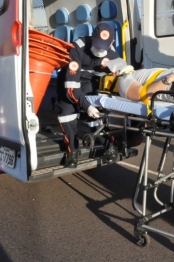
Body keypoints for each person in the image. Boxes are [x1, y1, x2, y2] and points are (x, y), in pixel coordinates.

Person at [57, 23, 119, 168]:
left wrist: (117, 71)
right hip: (70, 83)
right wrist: (86, 105)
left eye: (103, 46)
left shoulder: (112, 53)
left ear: (111, 43)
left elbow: (119, 73)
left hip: (90, 84)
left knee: (98, 115)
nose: (98, 49)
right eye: (97, 44)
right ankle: (72, 151)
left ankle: (109, 145)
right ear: (92, 38)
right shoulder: (77, 47)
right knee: (67, 114)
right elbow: (71, 86)